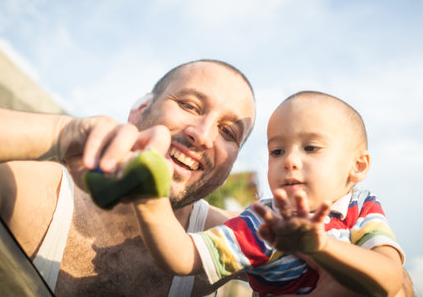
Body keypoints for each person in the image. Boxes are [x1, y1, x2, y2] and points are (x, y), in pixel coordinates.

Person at [0, 59, 256, 296]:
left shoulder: (221, 237)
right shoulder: (39, 191)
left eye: (228, 132)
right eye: (189, 106)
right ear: (139, 111)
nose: (203, 135)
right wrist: (61, 132)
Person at [131, 90, 409, 296]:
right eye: (277, 151)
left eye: (310, 148)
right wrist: (149, 200)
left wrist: (320, 246)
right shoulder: (264, 223)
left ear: (357, 166)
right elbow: (183, 256)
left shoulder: (360, 207)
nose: (289, 160)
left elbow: (389, 278)